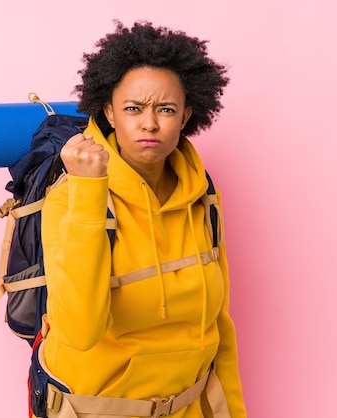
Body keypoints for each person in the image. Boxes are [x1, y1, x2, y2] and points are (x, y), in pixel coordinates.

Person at [39, 20, 247, 418]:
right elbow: (80, 332)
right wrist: (87, 191)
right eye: (133, 109)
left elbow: (220, 330)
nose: (149, 123)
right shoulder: (71, 198)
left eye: (165, 109)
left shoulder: (202, 198)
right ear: (109, 113)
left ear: (186, 114)